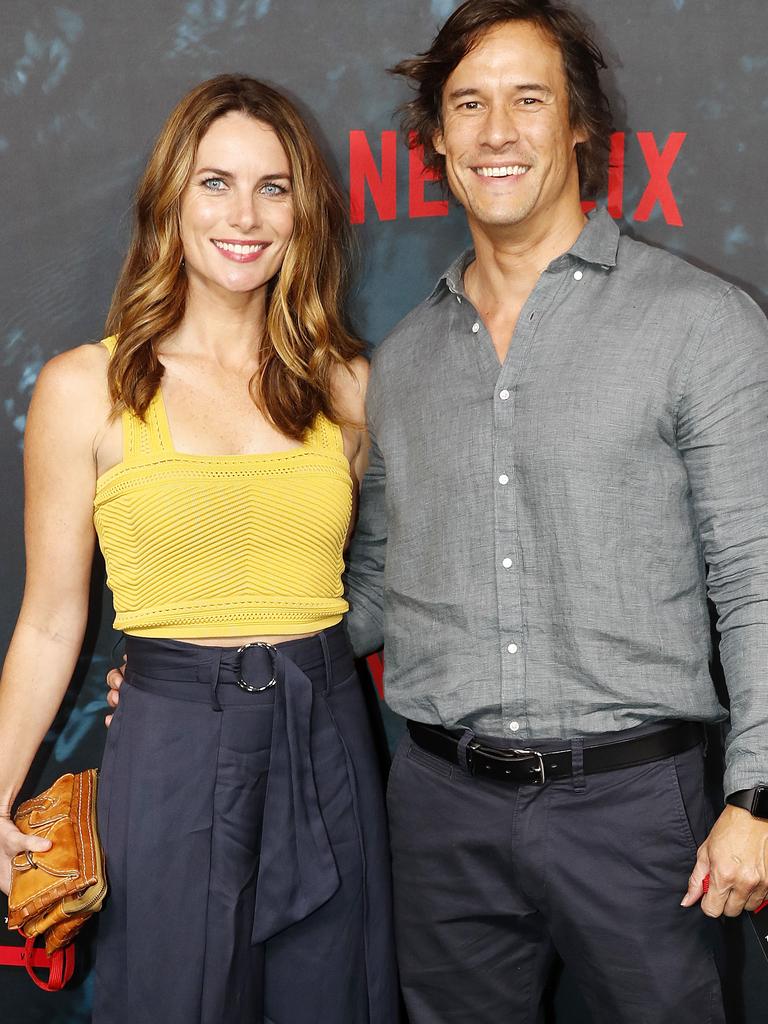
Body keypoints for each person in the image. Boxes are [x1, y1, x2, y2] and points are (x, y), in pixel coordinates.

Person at [342, 1, 768, 1021]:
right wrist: (216, 651)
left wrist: (756, 797)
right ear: (435, 139)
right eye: (469, 105)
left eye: (528, 99)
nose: (498, 131)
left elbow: (755, 575)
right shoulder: (401, 364)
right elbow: (368, 589)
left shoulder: (698, 324)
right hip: (441, 813)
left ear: (578, 123)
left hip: (639, 812)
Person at [0, 74, 397, 1024]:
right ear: (170, 199)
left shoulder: (350, 386)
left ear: (306, 210)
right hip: (169, 748)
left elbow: (395, 579)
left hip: (329, 736)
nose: (245, 214)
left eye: (274, 186)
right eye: (215, 182)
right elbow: (52, 622)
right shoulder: (84, 388)